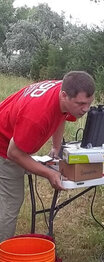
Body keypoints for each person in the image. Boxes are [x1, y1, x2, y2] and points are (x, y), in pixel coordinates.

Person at [0, 71, 95, 242]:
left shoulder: (64, 90)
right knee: (10, 203)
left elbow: (61, 115)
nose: (85, 109)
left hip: (12, 140)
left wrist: (56, 147)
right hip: (3, 147)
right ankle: (3, 258)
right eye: (81, 104)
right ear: (64, 95)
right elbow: (14, 153)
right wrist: (50, 173)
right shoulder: (37, 116)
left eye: (89, 103)